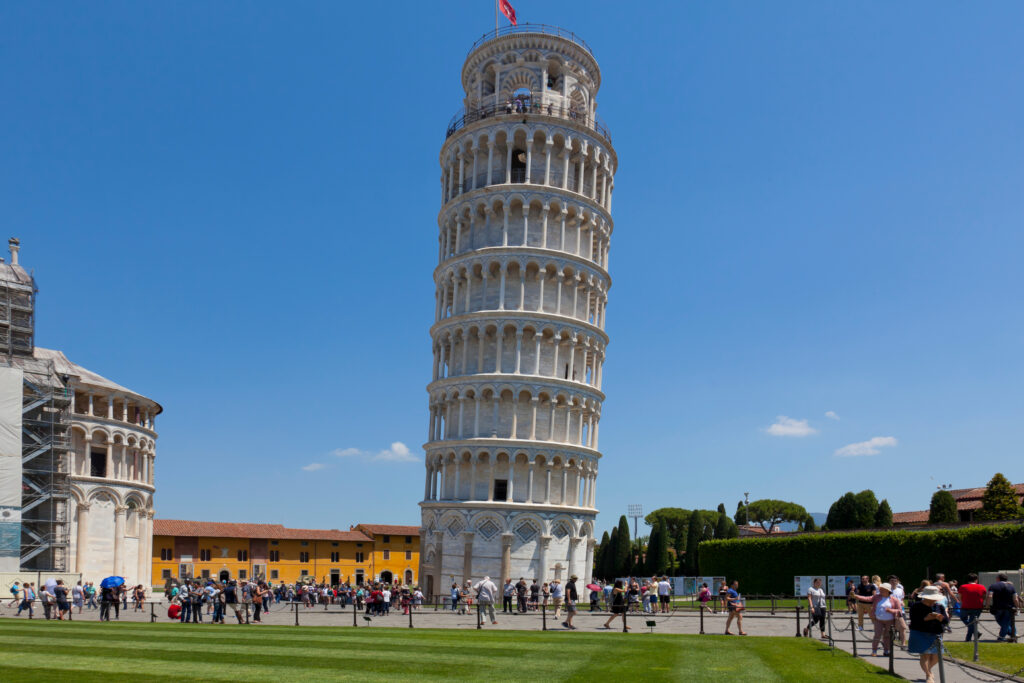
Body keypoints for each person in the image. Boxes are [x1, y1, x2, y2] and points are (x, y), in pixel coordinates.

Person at [908, 585, 949, 683]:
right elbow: (914, 621)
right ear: (925, 597)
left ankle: (928, 670)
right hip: (920, 632)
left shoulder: (939, 606)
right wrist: (926, 618)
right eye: (930, 599)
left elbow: (946, 620)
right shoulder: (916, 606)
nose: (933, 601)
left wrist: (941, 618)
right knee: (925, 654)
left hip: (935, 633)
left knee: (936, 656)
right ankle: (928, 675)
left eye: (934, 599)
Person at [987, 572, 1020, 642]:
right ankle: (1013, 634)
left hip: (997, 607)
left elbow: (990, 596)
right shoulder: (1011, 587)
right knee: (1005, 622)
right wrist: (1017, 607)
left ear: (998, 578)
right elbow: (1015, 599)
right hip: (1009, 608)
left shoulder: (993, 586)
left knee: (1001, 622)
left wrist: (987, 605)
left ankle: (1001, 638)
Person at [958, 573, 986, 642]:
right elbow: (984, 597)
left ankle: (969, 638)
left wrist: (964, 602)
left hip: (965, 606)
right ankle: (973, 634)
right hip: (977, 607)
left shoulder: (963, 587)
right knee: (973, 622)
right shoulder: (982, 587)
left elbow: (960, 597)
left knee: (963, 618)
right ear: (976, 580)